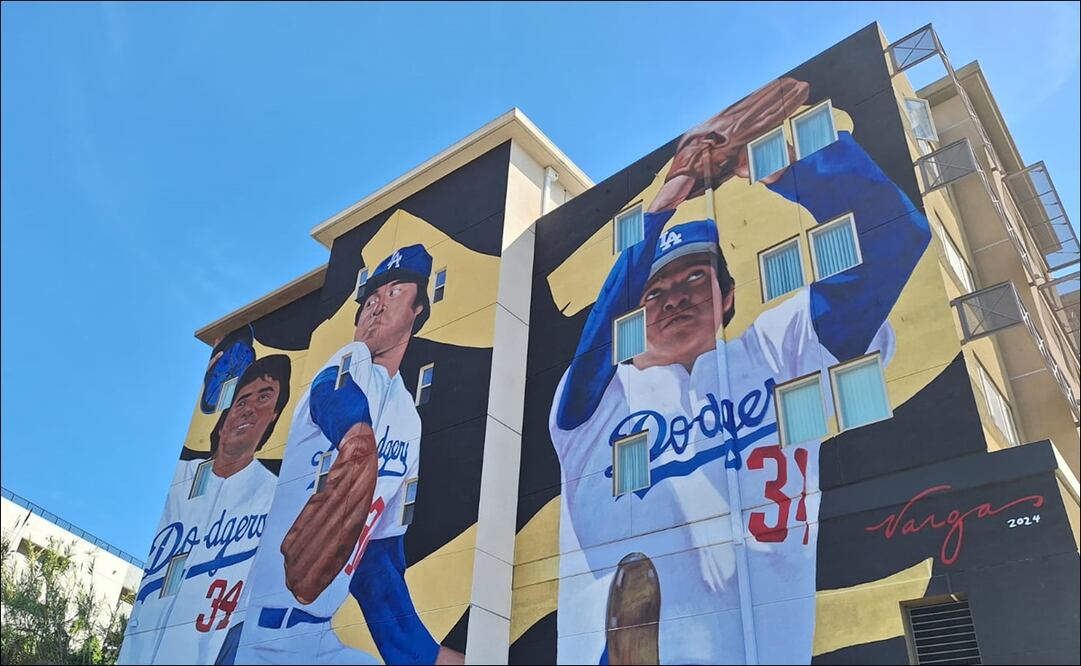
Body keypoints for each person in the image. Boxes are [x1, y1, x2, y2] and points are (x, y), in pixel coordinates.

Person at [549, 78, 931, 664]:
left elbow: (895, 235)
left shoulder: (779, 351)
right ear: (634, 312)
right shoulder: (600, 405)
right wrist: (668, 197)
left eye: (695, 278)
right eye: (656, 292)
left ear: (729, 297)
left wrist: (769, 160)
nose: (674, 298)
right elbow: (597, 336)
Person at [234, 245, 464, 666]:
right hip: (257, 640)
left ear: (418, 310)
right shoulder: (350, 362)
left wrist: (428, 657)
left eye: (394, 293)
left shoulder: (409, 421)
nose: (375, 305)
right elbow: (331, 396)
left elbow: (377, 566)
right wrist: (358, 440)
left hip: (316, 637)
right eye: (370, 299)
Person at [119, 355, 291, 665]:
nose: (249, 407)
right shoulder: (184, 478)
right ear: (224, 421)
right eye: (241, 400)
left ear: (275, 416)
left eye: (264, 397)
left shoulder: (275, 493)